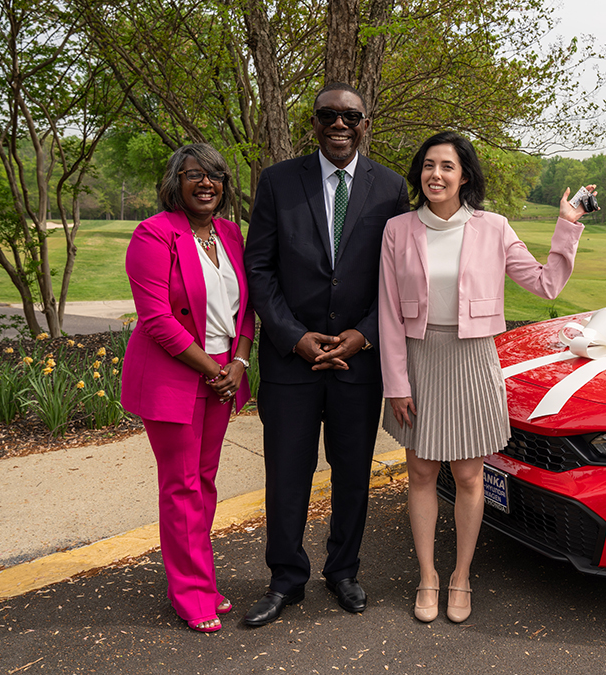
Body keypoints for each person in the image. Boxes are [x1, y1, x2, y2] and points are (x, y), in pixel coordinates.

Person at [379, 130, 593, 623]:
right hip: (419, 360)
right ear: (420, 174)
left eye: (447, 166)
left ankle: (461, 576)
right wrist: (396, 383)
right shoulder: (397, 230)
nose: (436, 174)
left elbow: (546, 283)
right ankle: (429, 576)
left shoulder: (494, 228)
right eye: (429, 165)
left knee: (470, 474)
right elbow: (388, 314)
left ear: (465, 175)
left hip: (474, 360)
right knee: (421, 473)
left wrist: (567, 227)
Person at [242, 82, 410, 627]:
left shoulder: (390, 189)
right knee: (287, 474)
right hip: (292, 360)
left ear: (366, 123)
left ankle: (343, 571)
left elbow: (398, 276)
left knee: (352, 473)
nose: (339, 124)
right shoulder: (277, 182)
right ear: (312, 123)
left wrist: (363, 334)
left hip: (358, 361)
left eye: (351, 116)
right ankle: (285, 580)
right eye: (328, 115)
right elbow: (259, 270)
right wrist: (294, 335)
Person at [121, 143, 255, 633]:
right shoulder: (154, 234)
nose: (206, 184)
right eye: (195, 175)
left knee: (204, 480)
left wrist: (239, 359)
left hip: (223, 372)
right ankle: (190, 593)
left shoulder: (230, 234)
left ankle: (201, 578)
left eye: (215, 176)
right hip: (173, 375)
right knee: (181, 485)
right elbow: (156, 319)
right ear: (175, 181)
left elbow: (247, 308)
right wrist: (212, 369)